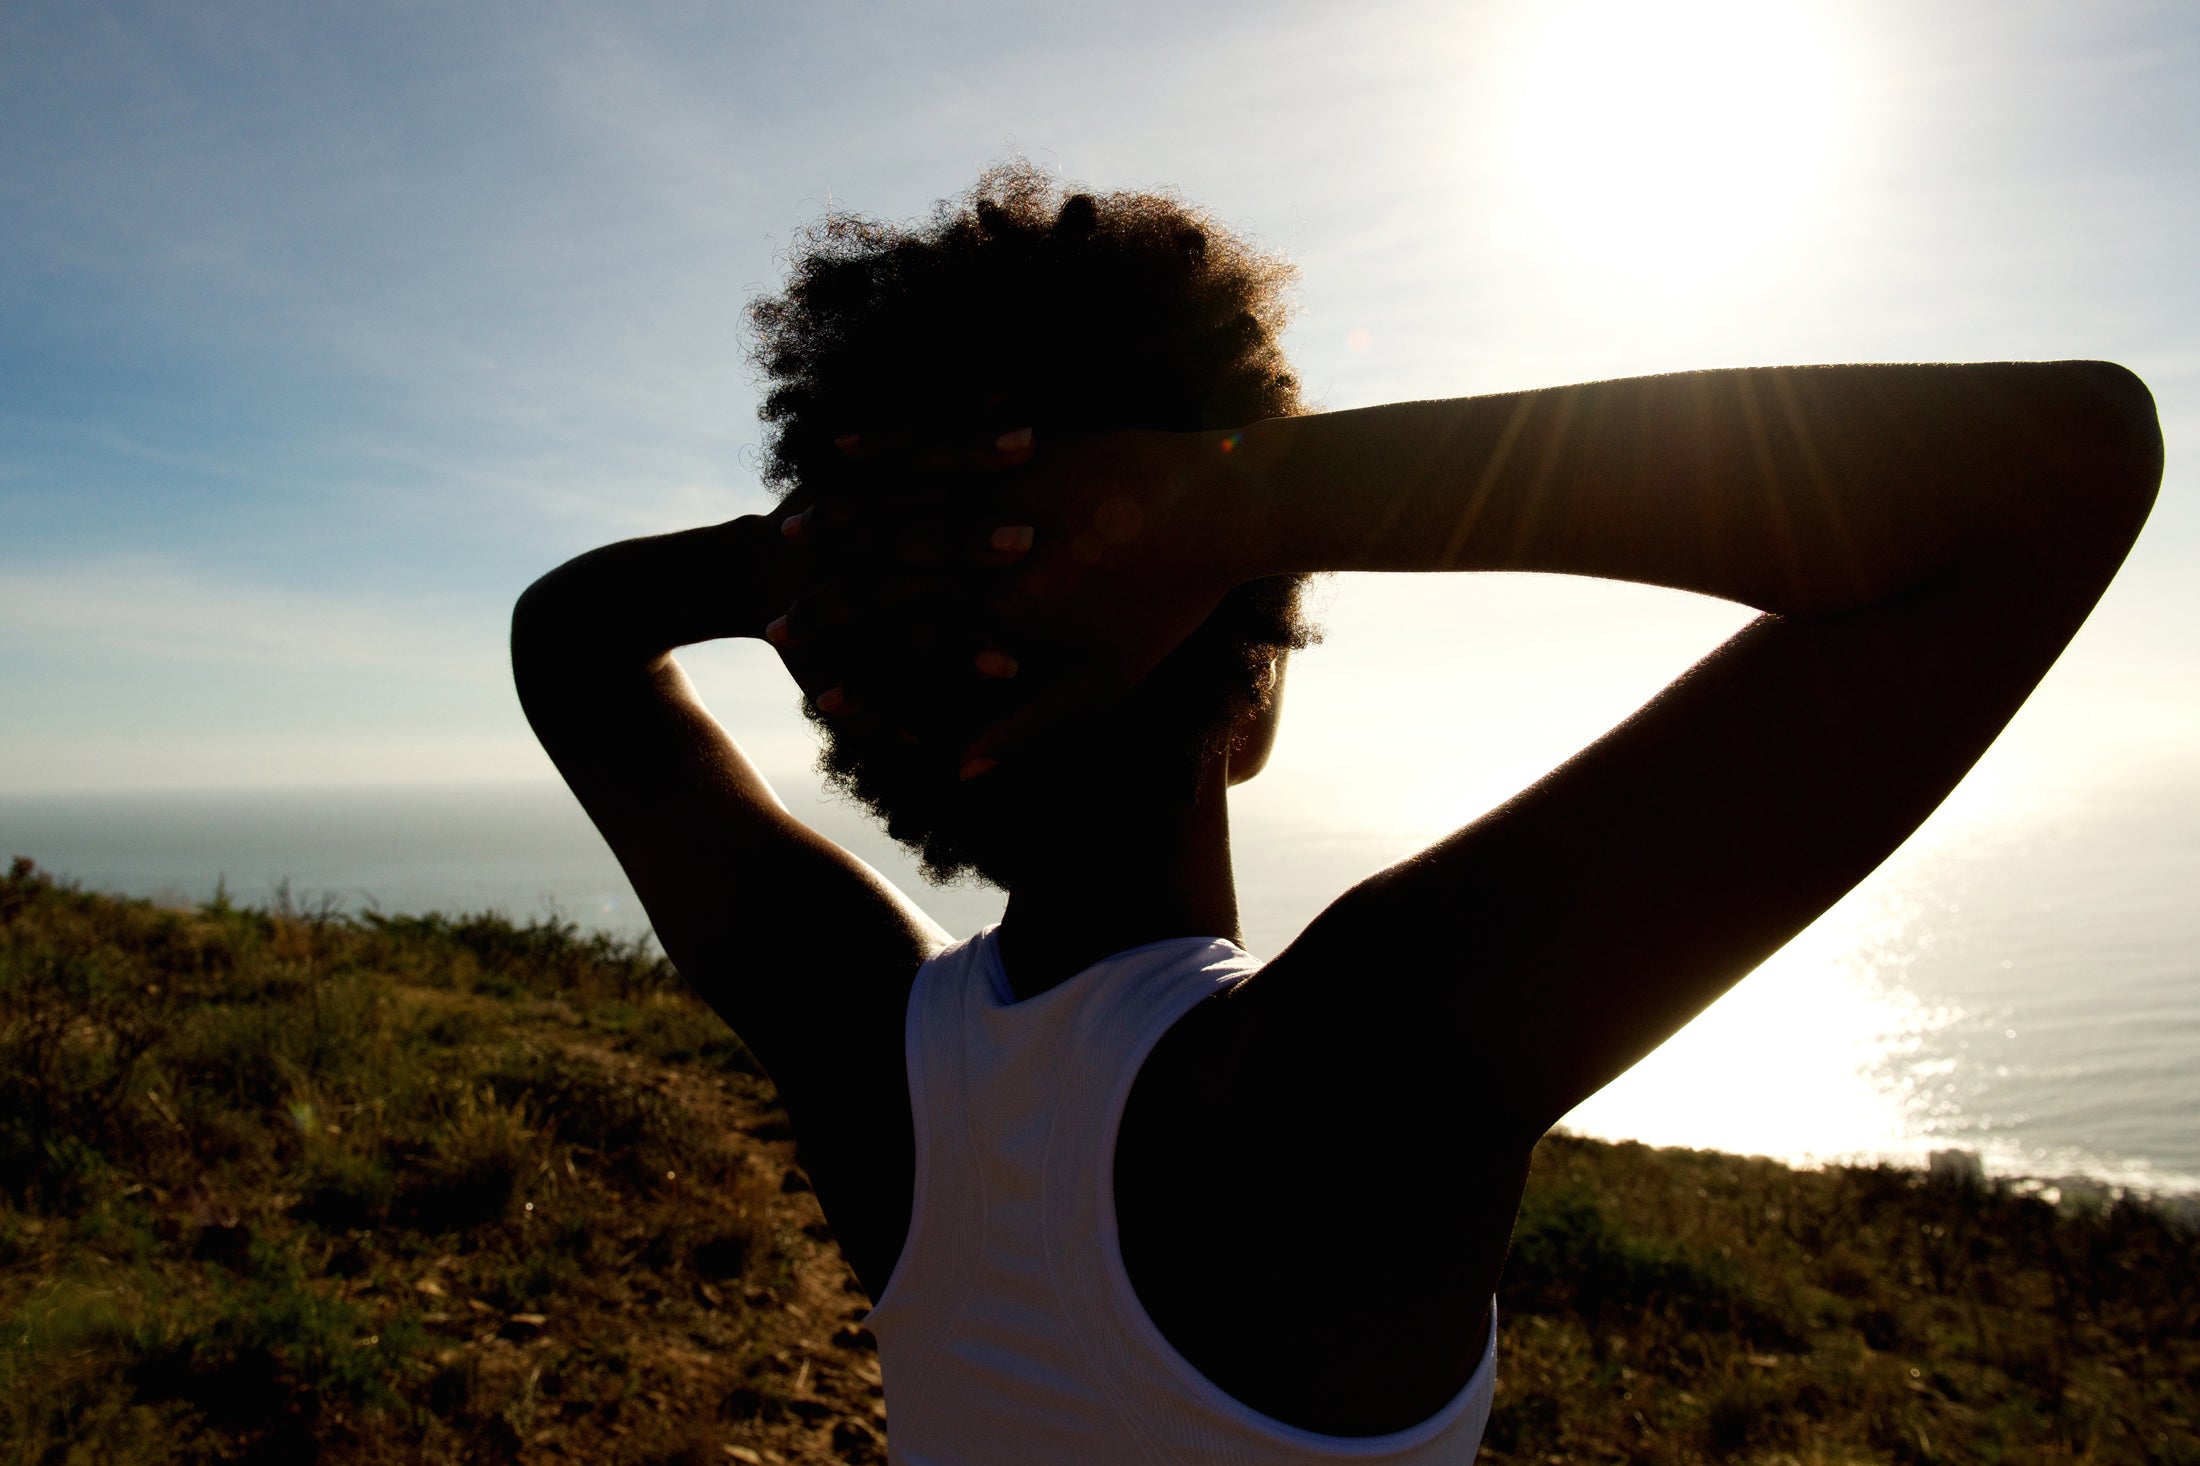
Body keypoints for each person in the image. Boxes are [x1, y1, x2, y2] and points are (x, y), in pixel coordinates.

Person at [511, 166, 2161, 1463]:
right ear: (1255, 678)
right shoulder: (1352, 1081)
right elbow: (2066, 466)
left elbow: (571, 641)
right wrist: (1237, 499)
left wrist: (841, 558)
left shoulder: (867, 1040)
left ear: (865, 702)